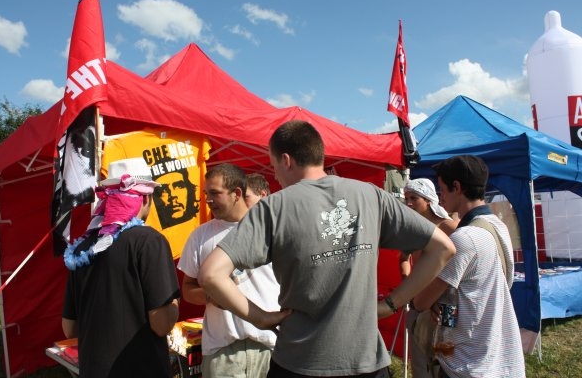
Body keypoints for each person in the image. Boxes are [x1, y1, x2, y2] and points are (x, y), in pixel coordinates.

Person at [198, 120, 456, 377]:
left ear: (286, 160)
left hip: (299, 361)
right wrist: (392, 304)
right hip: (365, 360)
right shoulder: (371, 195)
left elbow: (211, 274)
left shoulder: (273, 207)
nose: (275, 175)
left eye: (274, 166)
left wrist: (260, 318)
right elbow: (443, 248)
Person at [62, 157, 180, 378]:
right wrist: (173, 303)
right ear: (146, 198)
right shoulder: (149, 241)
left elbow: (70, 328)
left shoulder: (83, 248)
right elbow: (161, 324)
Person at [413, 155, 525, 377]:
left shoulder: (464, 238)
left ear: (456, 187)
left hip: (467, 363)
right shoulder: (497, 225)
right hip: (496, 355)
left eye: (442, 189)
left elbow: (420, 301)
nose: (440, 197)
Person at [178, 163, 280, 378]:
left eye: (215, 193)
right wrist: (212, 295)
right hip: (223, 352)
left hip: (272, 345)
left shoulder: (271, 229)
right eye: (206, 193)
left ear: (237, 194)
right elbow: (187, 289)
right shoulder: (200, 235)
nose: (208, 200)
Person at [399, 178, 458, 378]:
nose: (408, 203)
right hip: (419, 305)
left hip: (446, 307)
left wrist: (434, 298)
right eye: (406, 198)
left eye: (414, 198)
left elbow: (461, 268)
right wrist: (408, 285)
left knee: (445, 361)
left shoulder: (450, 228)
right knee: (420, 364)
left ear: (429, 200)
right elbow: (403, 258)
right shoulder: (413, 228)